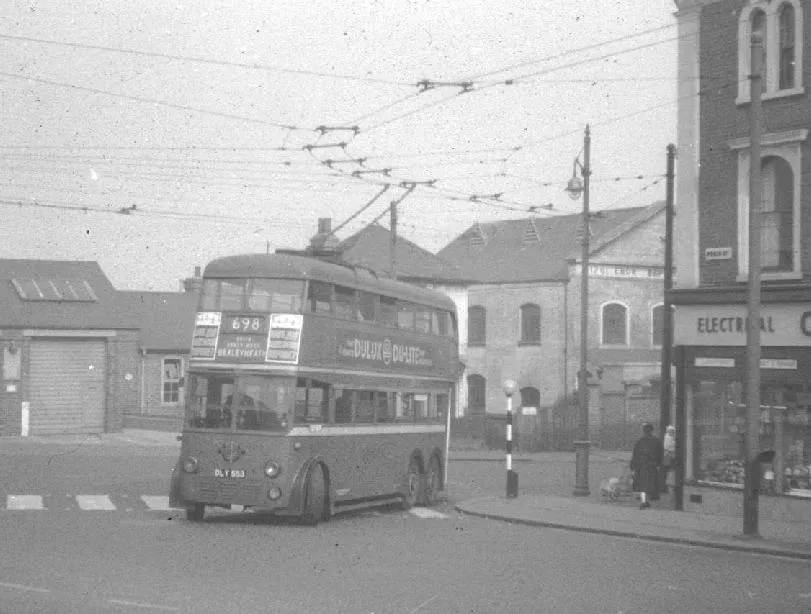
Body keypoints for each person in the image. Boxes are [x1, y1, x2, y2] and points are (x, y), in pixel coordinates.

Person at [630, 422, 663, 509]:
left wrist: (632, 466)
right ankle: (646, 501)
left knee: (643, 485)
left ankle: (644, 501)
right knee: (649, 485)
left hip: (642, 467)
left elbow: (635, 455)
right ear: (652, 431)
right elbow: (660, 455)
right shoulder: (656, 441)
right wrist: (658, 464)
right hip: (651, 466)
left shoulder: (639, 442)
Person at [660, 425, 676, 494]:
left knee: (667, 472)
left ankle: (665, 487)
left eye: (673, 431)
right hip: (668, 457)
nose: (672, 432)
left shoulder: (669, 437)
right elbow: (668, 448)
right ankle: (666, 487)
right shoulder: (668, 438)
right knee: (668, 472)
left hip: (668, 456)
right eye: (671, 431)